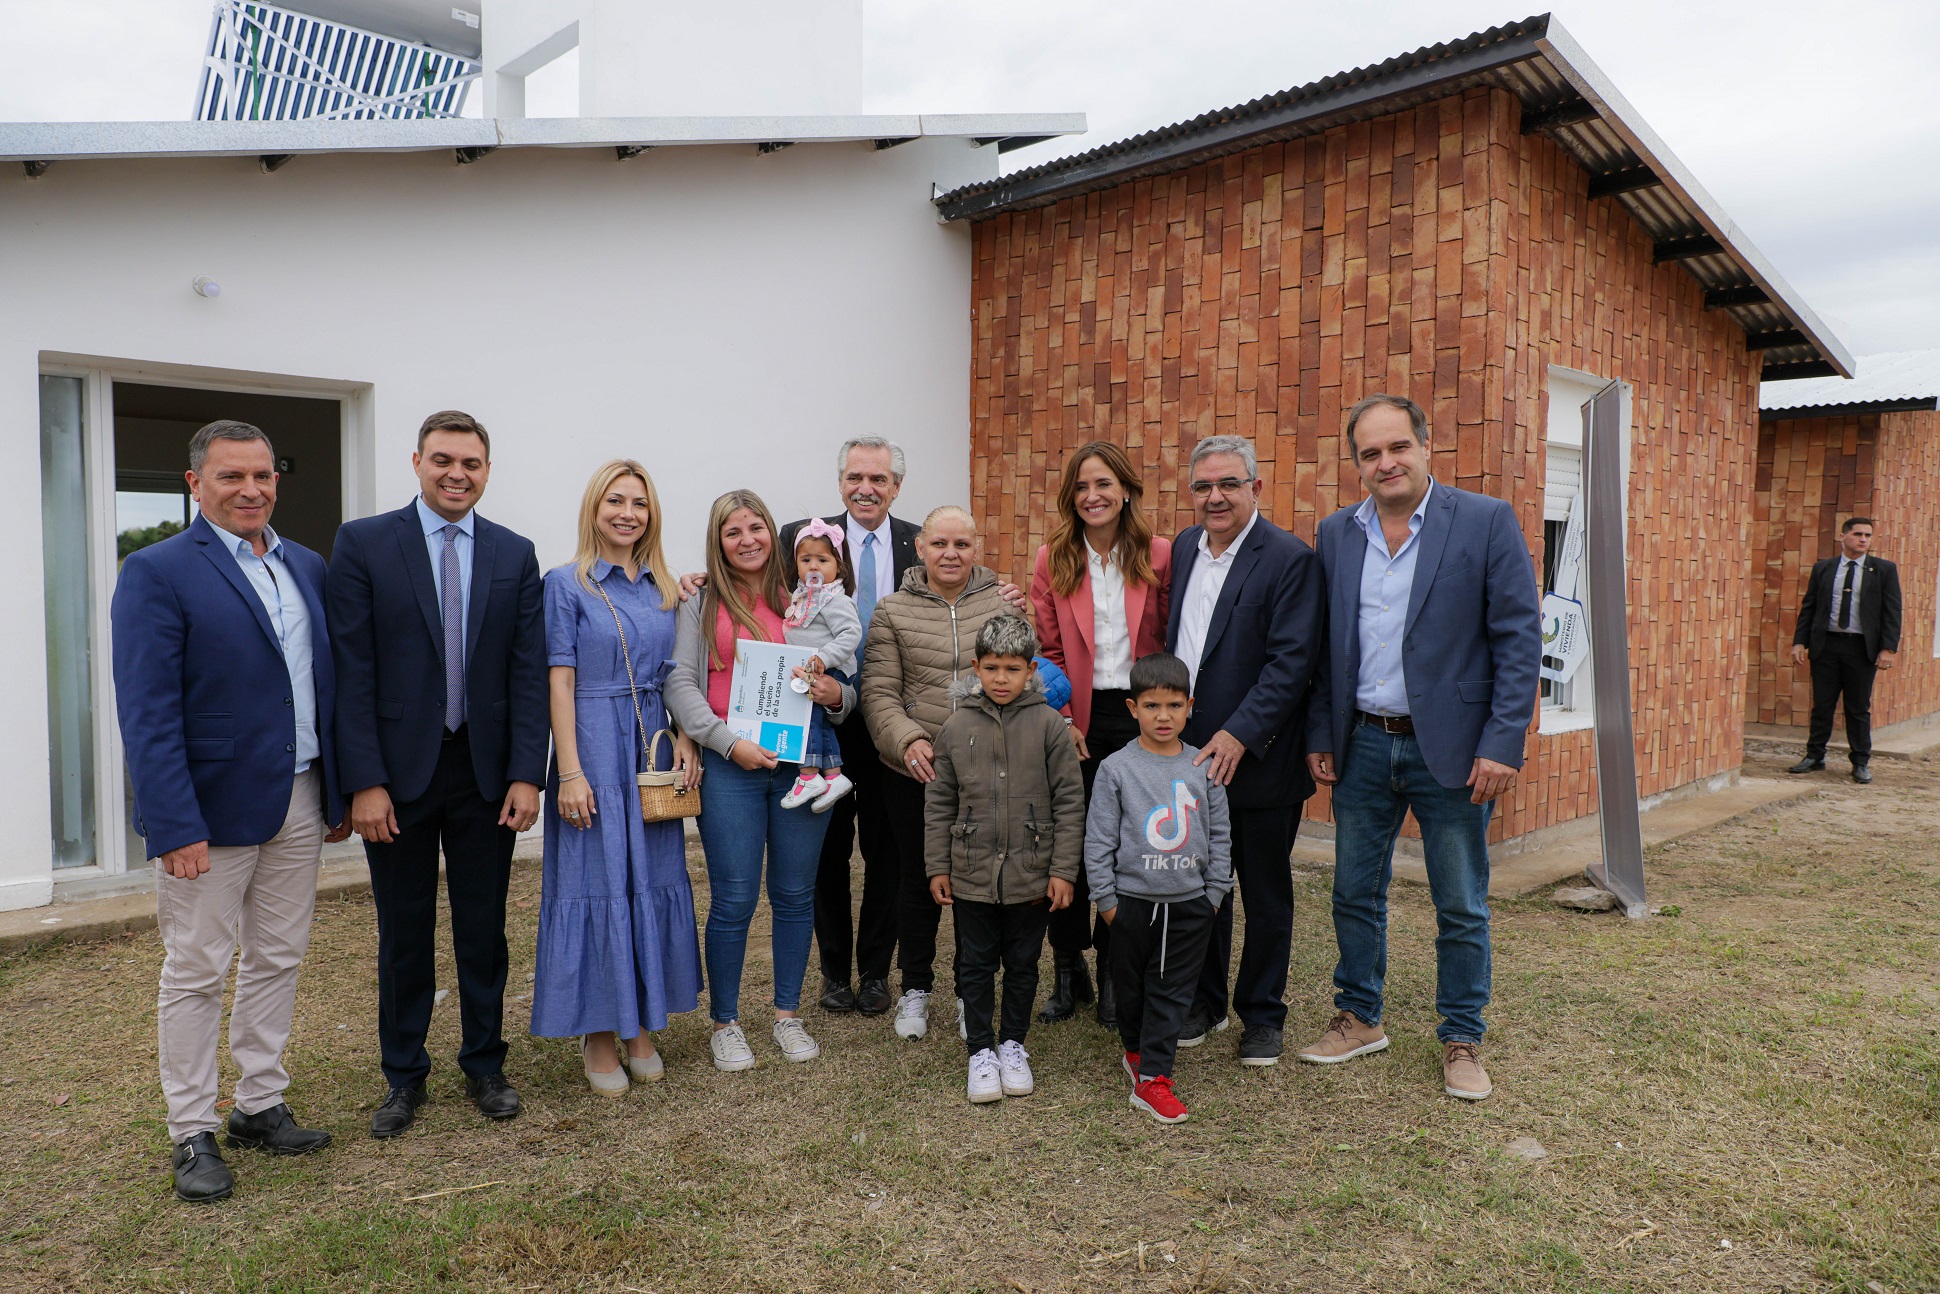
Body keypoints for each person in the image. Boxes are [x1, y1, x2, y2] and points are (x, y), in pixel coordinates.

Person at [112, 420, 346, 1202]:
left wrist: (337, 788)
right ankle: (190, 1130)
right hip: (209, 812)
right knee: (197, 969)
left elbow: (317, 682)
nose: (250, 490)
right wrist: (173, 823)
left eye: (262, 476)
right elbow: (147, 711)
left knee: (278, 955)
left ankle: (258, 1103)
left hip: (301, 793)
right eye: (230, 477)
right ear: (195, 484)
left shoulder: (304, 563)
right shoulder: (157, 570)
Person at [1300, 393, 1541, 1102]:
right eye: (1370, 453)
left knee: (1460, 901)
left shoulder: (1485, 521)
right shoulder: (1338, 534)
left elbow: (1517, 640)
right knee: (1353, 891)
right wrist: (1322, 732)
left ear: (1426, 445)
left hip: (1458, 752)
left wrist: (1503, 742)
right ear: (1356, 465)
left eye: (1397, 447)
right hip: (1364, 744)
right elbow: (1326, 648)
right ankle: (1359, 1017)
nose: (1386, 462)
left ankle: (1462, 1036)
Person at [328, 410, 548, 1136]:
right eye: (444, 460)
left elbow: (526, 672)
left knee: (483, 931)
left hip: (486, 775)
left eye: (472, 463)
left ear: (488, 470)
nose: (458, 474)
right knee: (404, 932)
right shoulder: (364, 544)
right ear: (417, 462)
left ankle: (485, 1064)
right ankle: (403, 1077)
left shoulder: (514, 554)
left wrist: (527, 773)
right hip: (395, 776)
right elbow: (351, 669)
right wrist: (362, 780)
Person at [664, 490, 856, 1072]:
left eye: (756, 528)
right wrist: (727, 742)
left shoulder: (802, 596)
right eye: (733, 531)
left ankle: (786, 1015)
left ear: (773, 534)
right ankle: (726, 1022)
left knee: (795, 895)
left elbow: (849, 682)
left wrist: (838, 695)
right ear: (716, 541)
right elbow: (679, 683)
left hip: (802, 766)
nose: (747, 540)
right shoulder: (700, 601)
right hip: (732, 765)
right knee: (736, 897)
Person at [533, 460, 704, 1095]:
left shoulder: (669, 588)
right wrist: (569, 772)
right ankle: (600, 1032)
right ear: (594, 509)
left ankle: (640, 1026)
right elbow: (560, 679)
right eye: (615, 501)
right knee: (596, 878)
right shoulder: (564, 584)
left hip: (654, 747)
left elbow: (679, 671)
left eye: (639, 502)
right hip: (593, 747)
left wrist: (687, 735)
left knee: (651, 877)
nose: (628, 513)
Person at [1165, 434, 1322, 1068]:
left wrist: (1238, 732)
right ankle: (1204, 1004)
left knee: (1263, 891)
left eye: (1229, 484)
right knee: (1203, 888)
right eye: (1203, 486)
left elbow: (1292, 663)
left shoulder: (1288, 558)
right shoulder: (1182, 549)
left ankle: (1262, 1014)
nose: (1215, 496)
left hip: (1257, 759)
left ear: (1256, 488)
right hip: (1188, 757)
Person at [1029, 441, 1173, 1028]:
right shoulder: (1053, 557)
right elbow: (1048, 650)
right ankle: (1069, 970)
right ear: (1071, 496)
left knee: (1130, 848)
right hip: (1078, 720)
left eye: (1105, 484)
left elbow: (1169, 636)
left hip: (1140, 717)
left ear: (1126, 490)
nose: (1094, 496)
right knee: (1070, 845)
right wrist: (1064, 722)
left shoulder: (1159, 553)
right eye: (1083, 487)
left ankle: (1119, 972)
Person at [779, 437, 920, 1017]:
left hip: (891, 716)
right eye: (856, 477)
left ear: (896, 486)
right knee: (827, 847)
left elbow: (960, 583)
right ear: (840, 482)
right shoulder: (801, 538)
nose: (867, 488)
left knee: (886, 850)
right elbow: (751, 582)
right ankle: (834, 971)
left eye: (879, 479)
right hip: (820, 720)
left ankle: (875, 972)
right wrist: (695, 582)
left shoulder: (921, 541)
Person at [861, 505, 1014, 1042]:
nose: (951, 555)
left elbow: (1023, 677)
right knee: (918, 881)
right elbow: (879, 692)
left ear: (977, 548)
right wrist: (908, 741)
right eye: (940, 544)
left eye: (962, 545)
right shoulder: (892, 611)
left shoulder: (1003, 604)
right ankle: (915, 988)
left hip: (987, 769)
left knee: (977, 884)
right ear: (920, 548)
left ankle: (970, 989)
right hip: (914, 771)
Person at [924, 615, 1085, 1103]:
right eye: (990, 668)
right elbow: (939, 802)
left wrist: (1062, 871)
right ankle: (980, 1050)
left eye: (1012, 669)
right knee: (974, 963)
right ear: (975, 667)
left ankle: (1013, 1044)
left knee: (1022, 962)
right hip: (971, 871)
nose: (1000, 679)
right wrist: (938, 865)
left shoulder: (1051, 727)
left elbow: (1069, 801)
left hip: (1031, 874)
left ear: (1031, 669)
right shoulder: (955, 726)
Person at [1085, 652, 1232, 1125]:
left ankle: (1154, 1078)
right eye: (1152, 706)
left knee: (1172, 991)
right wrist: (1106, 902)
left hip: (1190, 904)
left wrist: (1213, 895)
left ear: (1190, 705)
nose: (1163, 716)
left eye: (1174, 705)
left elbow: (1220, 835)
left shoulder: (1203, 766)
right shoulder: (1115, 769)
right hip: (1130, 905)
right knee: (1131, 990)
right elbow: (1100, 838)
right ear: (1132, 708)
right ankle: (1136, 1052)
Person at [1789, 517, 1901, 785]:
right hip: (1826, 645)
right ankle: (1815, 756)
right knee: (1822, 705)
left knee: (1858, 707)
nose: (1864, 539)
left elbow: (1892, 611)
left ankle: (1860, 762)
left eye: (1868, 535)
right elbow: (1809, 608)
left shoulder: (1883, 570)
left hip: (1861, 648)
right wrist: (1799, 642)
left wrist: (1887, 649)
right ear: (1843, 537)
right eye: (1858, 534)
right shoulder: (1824, 568)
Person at [779, 521, 863, 812]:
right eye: (806, 559)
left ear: (838, 567)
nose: (814, 565)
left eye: (822, 559)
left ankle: (808, 775)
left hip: (829, 670)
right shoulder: (804, 596)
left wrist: (825, 658)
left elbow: (851, 634)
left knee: (810, 718)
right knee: (822, 723)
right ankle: (834, 776)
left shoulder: (834, 599)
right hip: (814, 668)